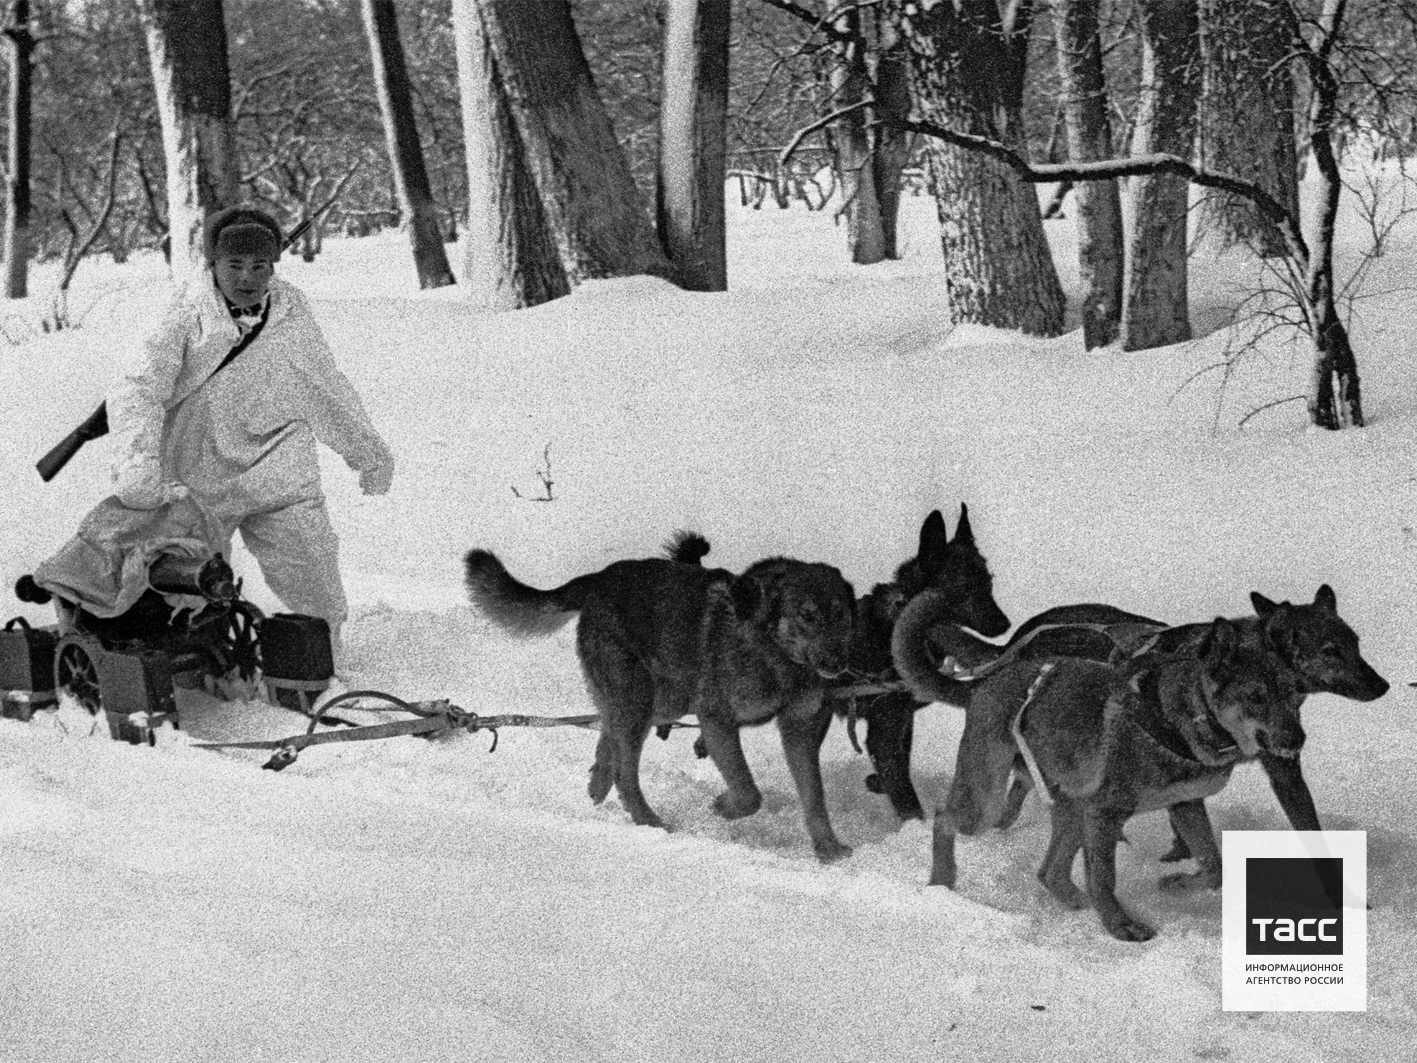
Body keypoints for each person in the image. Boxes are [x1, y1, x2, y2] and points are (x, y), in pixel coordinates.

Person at [29, 206, 393, 658]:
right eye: (234, 265)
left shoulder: (292, 315)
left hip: (280, 470)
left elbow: (326, 389)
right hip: (198, 474)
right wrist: (139, 466)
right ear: (213, 265)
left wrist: (367, 453)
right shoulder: (184, 314)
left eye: (260, 265)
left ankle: (319, 672)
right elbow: (137, 390)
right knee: (170, 581)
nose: (247, 278)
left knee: (315, 576)